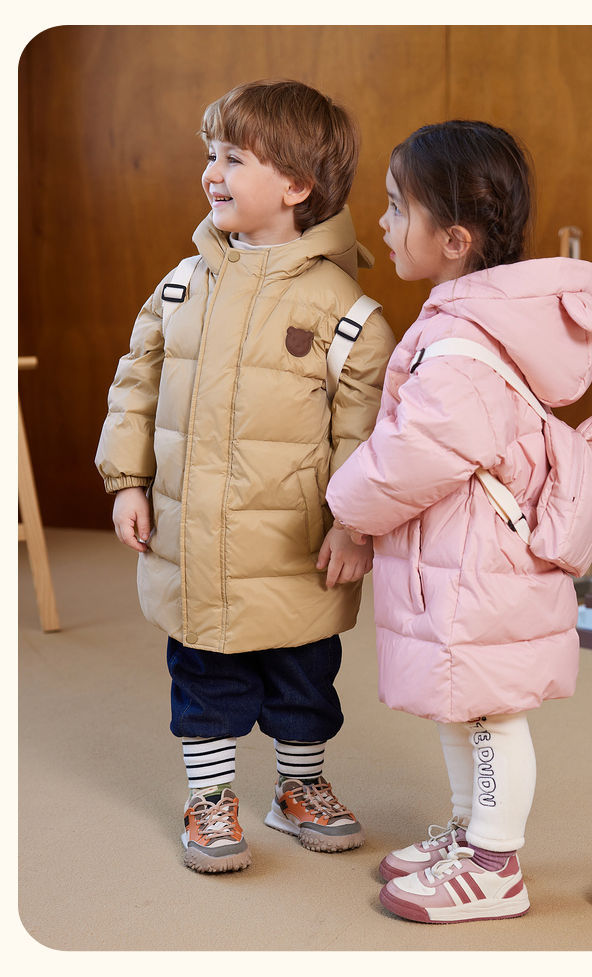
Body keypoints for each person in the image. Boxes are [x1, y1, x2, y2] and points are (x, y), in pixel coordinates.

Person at [326, 120, 592, 922]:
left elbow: (414, 453)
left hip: (480, 570)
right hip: (467, 562)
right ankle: (469, 835)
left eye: (398, 208)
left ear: (454, 239)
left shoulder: (461, 342)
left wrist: (347, 512)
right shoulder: (468, 321)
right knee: (464, 705)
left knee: (491, 715)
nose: (383, 221)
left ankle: (496, 864)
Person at [95, 80, 395, 874]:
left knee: (304, 676)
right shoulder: (180, 287)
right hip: (195, 537)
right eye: (210, 154)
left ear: (295, 185)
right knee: (204, 669)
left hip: (296, 541)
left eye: (234, 158)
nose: (211, 172)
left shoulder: (345, 311)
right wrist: (127, 479)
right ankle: (210, 795)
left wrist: (355, 525)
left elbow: (364, 433)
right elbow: (136, 386)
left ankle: (299, 785)